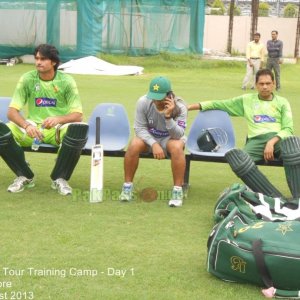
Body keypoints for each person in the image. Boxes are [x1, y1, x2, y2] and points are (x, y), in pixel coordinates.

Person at [188, 69, 297, 198]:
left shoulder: (282, 102)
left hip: (278, 140)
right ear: (256, 85)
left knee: (294, 148)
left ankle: (298, 196)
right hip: (256, 141)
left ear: (274, 84)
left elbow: (288, 128)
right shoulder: (247, 100)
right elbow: (221, 104)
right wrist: (190, 106)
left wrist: (271, 142)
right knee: (238, 160)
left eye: (268, 83)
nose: (265, 87)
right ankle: (273, 197)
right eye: (261, 84)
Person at [0, 44, 88, 195]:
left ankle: (60, 178)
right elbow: (12, 112)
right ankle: (24, 175)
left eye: (43, 59)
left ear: (53, 62)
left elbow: (78, 114)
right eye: (36, 58)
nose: (38, 62)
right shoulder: (27, 79)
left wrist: (58, 119)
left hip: (57, 130)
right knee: (2, 131)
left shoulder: (66, 81)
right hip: (32, 130)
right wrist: (27, 126)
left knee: (78, 130)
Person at [119, 76, 187, 207]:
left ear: (169, 95)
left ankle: (177, 191)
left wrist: (168, 117)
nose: (156, 100)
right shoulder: (143, 102)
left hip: (170, 139)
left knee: (177, 146)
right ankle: (127, 187)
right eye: (153, 96)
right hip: (149, 139)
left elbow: (178, 135)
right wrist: (154, 144)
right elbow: (139, 128)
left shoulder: (180, 107)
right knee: (134, 144)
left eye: (160, 97)